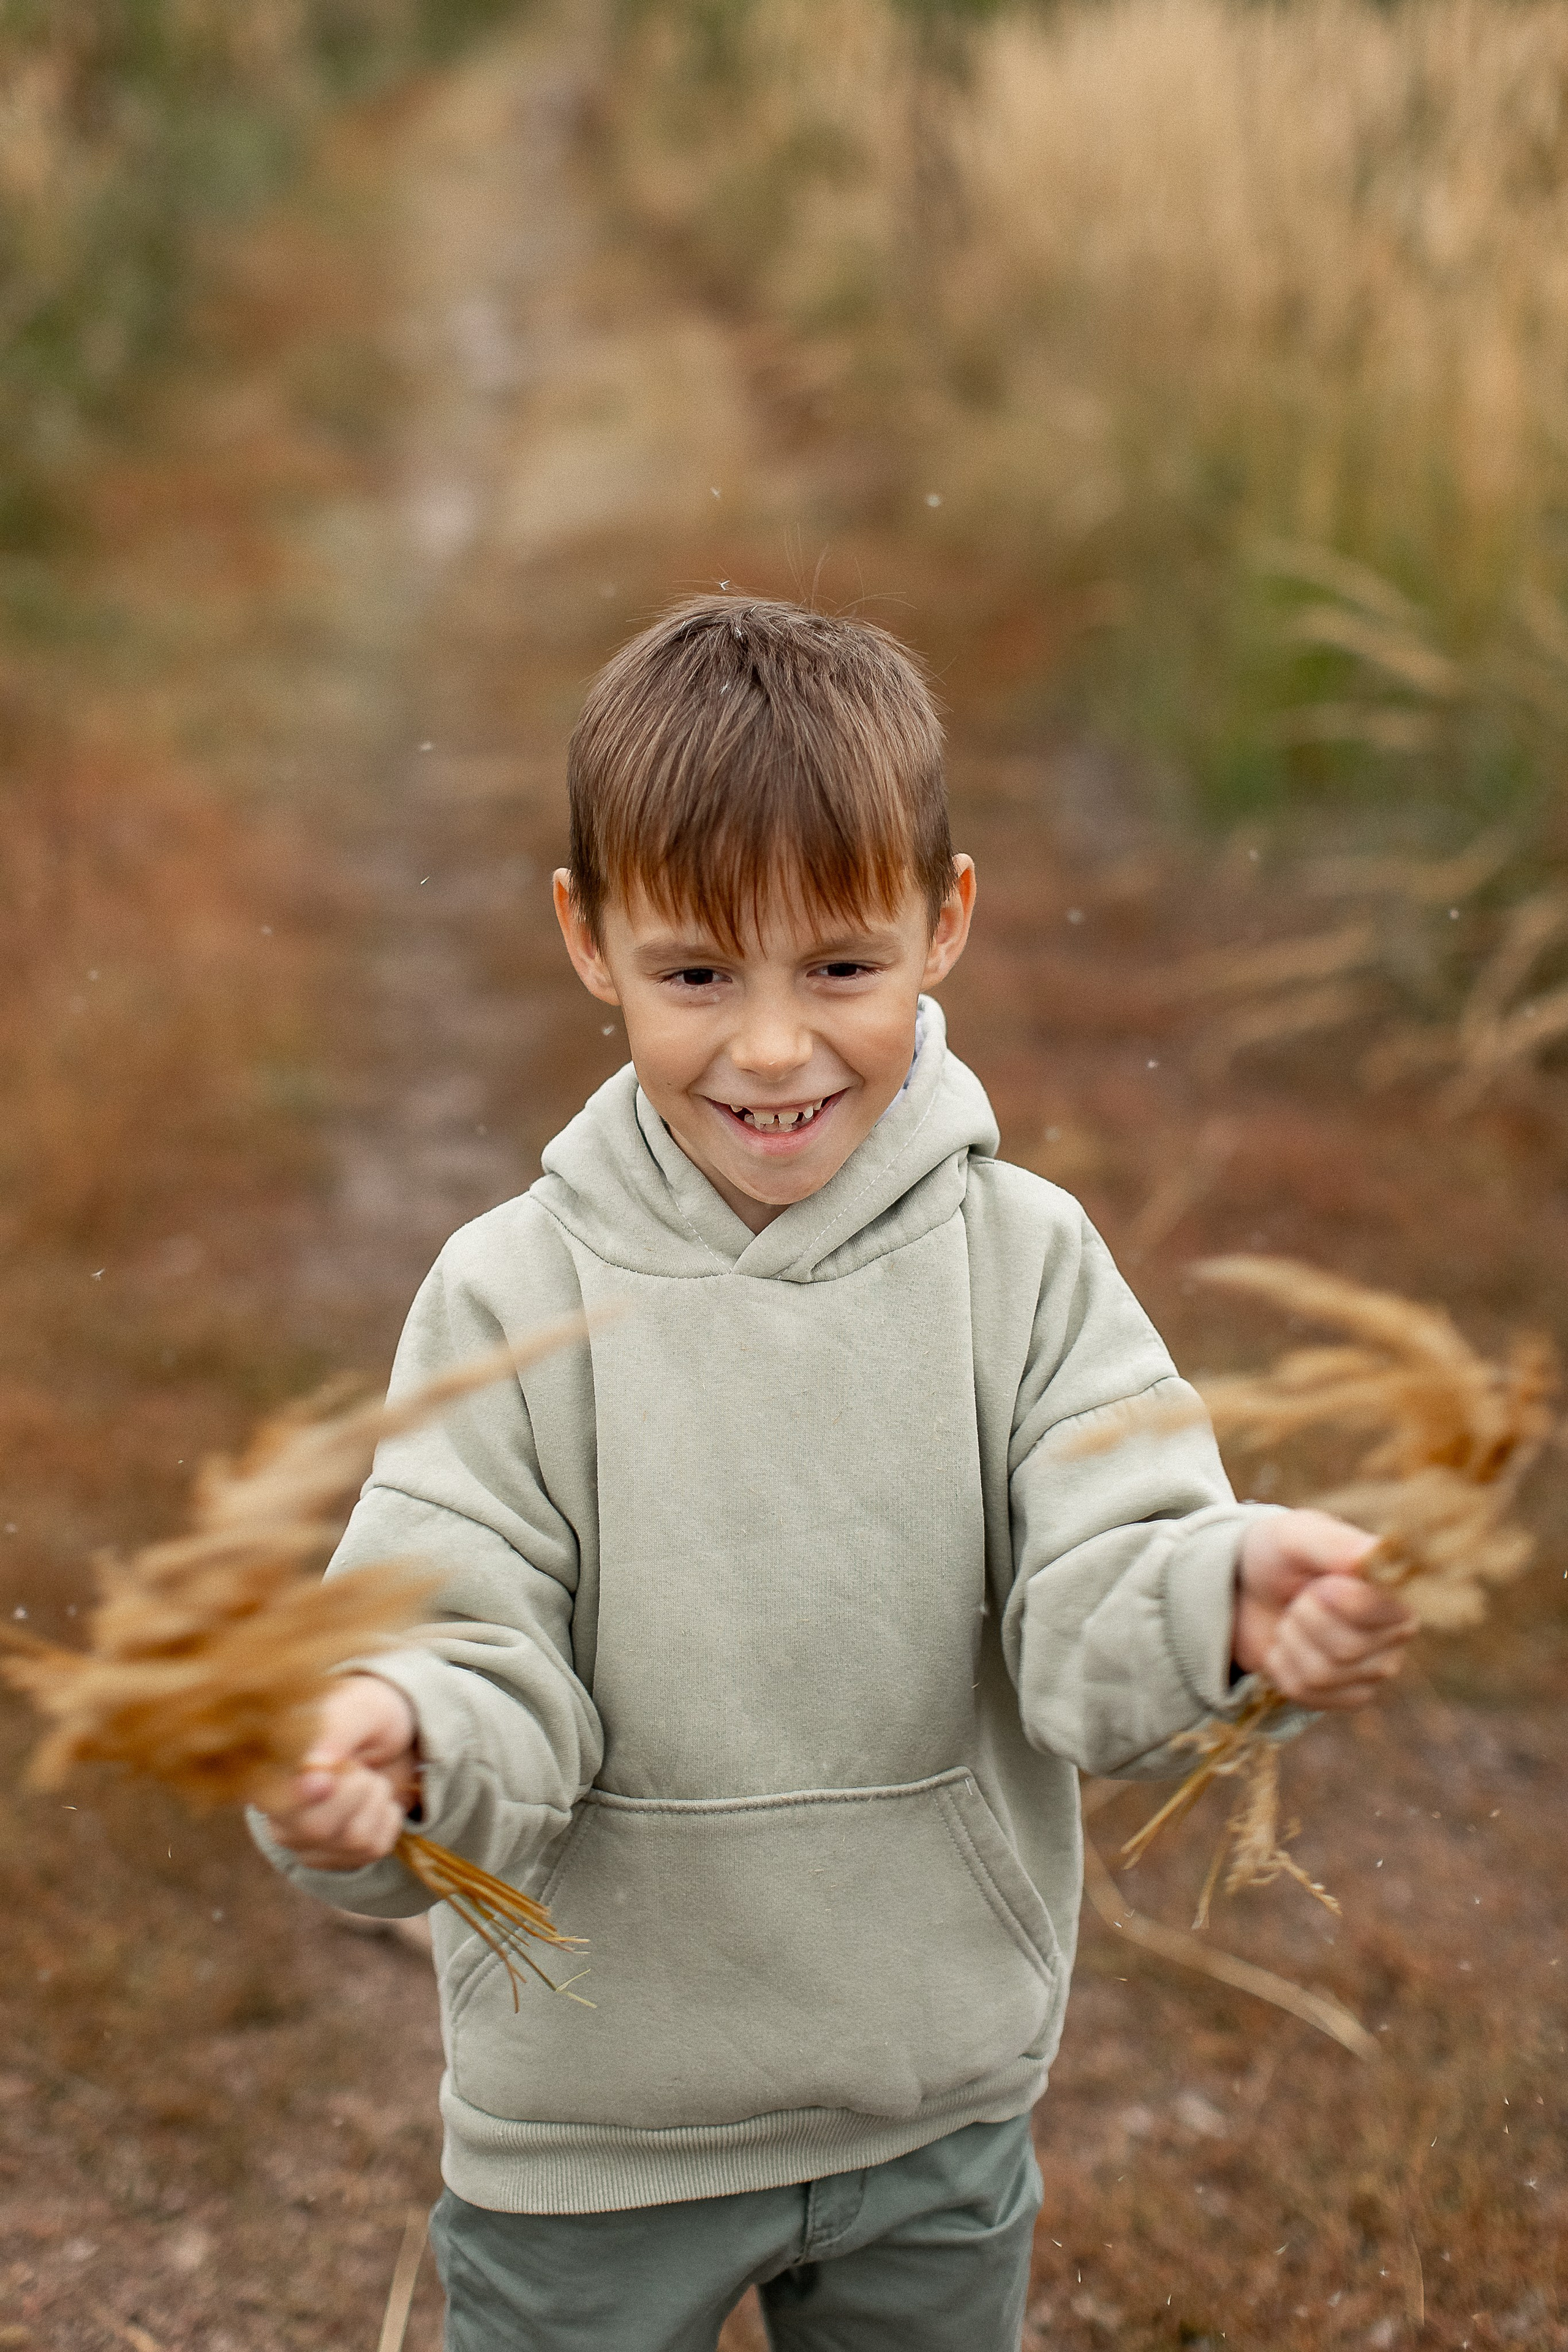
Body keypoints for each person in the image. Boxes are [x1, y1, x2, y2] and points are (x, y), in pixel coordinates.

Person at [254, 597, 1415, 2352]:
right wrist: (387, 1750)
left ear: (945, 920)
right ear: (591, 941)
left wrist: (1224, 1609)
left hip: (931, 2098)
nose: (777, 1049)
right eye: (700, 974)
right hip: (594, 2134)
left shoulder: (1026, 1265)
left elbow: (1103, 1590)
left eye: (841, 968)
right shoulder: (511, 1295)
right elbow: (460, 1631)